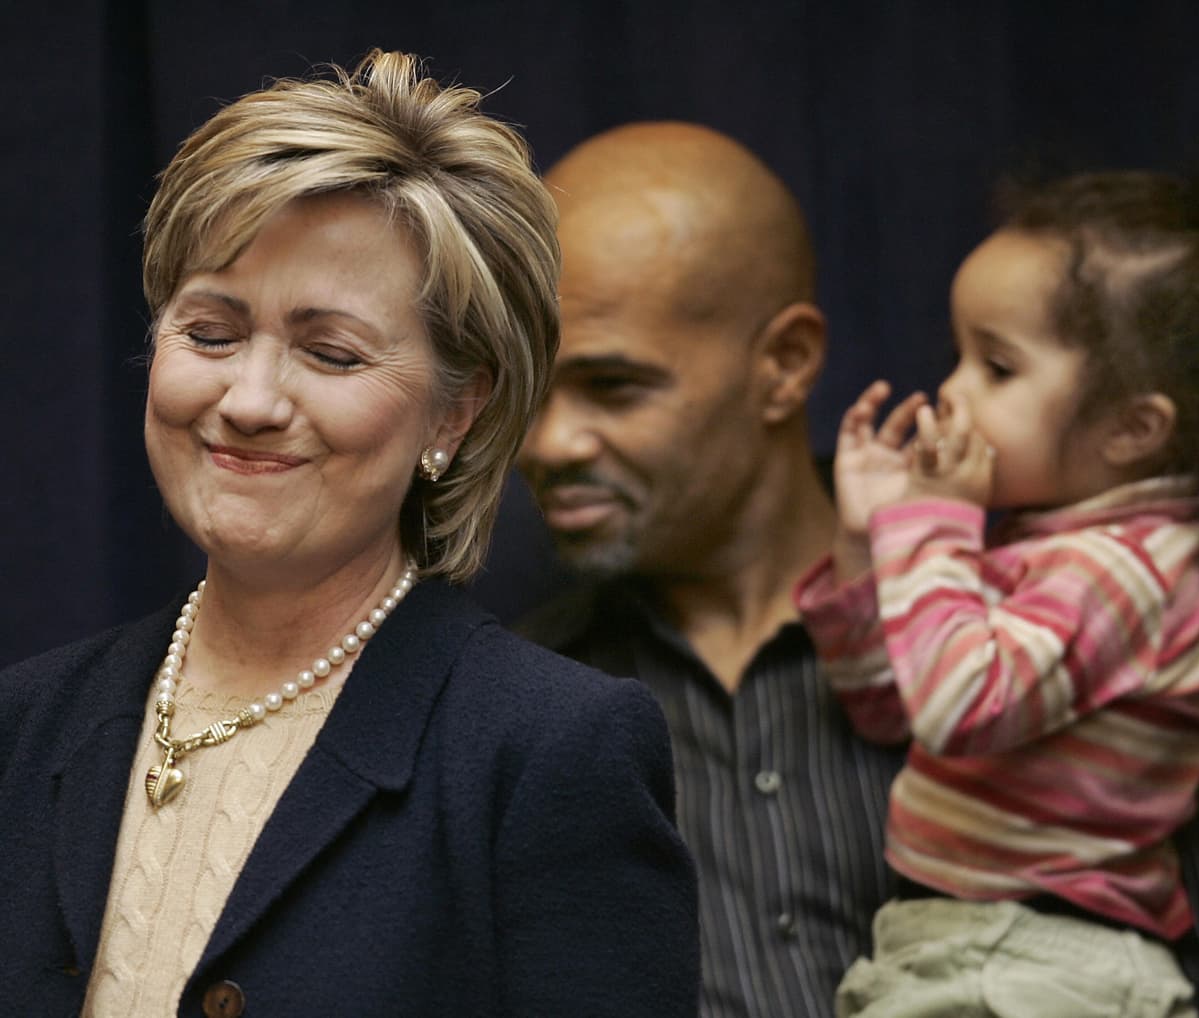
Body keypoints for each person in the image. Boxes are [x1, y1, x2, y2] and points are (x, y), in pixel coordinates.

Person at [516, 120, 1199, 1018]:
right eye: (529, 389)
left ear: (786, 365)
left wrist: (926, 532)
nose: (546, 444)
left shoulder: (1065, 605)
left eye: (613, 386)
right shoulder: (531, 695)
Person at [0, 52, 698, 1017]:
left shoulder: (549, 752)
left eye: (330, 353)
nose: (249, 400)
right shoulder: (23, 724)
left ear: (454, 414)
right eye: (210, 334)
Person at [795, 139, 1199, 1017]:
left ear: (1132, 429)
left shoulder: (1123, 573)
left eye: (997, 368)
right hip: (961, 946)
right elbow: (891, 708)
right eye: (957, 355)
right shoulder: (1042, 547)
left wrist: (931, 524)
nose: (951, 392)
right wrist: (867, 545)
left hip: (1042, 963)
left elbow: (958, 707)